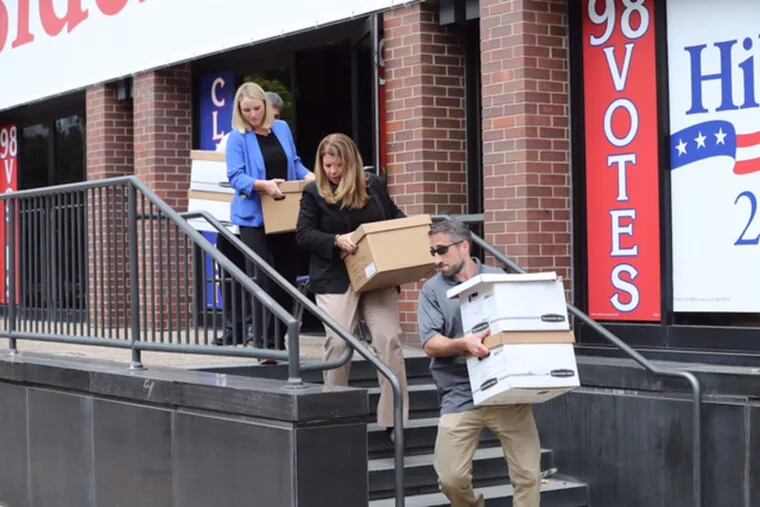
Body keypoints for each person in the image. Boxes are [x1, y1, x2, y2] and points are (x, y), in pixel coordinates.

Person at [417, 219, 541, 507]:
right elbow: (430, 344)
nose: (436, 259)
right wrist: (463, 344)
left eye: (441, 250)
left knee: (528, 476)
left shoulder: (498, 278)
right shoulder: (432, 291)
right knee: (450, 478)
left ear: (463, 246)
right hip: (461, 393)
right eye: (432, 252)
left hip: (507, 393)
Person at [296, 133, 409, 436]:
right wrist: (334, 240)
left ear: (352, 163)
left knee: (389, 339)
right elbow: (303, 233)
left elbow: (394, 216)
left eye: (338, 165)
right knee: (338, 342)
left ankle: (393, 420)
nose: (332, 172)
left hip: (376, 274)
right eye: (327, 165)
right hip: (334, 275)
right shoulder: (313, 193)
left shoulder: (374, 186)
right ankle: (335, 416)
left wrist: (408, 229)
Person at [226, 82, 314, 357]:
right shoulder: (237, 138)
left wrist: (310, 176)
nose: (253, 115)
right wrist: (262, 185)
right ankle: (264, 346)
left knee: (286, 278)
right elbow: (236, 176)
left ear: (265, 106)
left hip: (283, 213)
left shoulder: (282, 129)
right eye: (247, 110)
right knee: (262, 278)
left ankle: (279, 342)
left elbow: (294, 163)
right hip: (253, 217)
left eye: (257, 108)